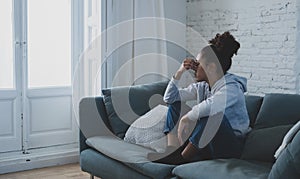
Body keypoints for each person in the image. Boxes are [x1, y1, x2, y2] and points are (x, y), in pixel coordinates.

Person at [148, 31, 250, 164]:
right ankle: (172, 151)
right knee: (175, 104)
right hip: (207, 142)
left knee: (213, 115)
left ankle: (182, 159)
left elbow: (212, 107)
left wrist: (186, 118)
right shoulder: (202, 86)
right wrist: (179, 72)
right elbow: (169, 98)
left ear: (211, 67)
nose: (194, 67)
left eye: (198, 63)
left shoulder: (232, 87)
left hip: (230, 146)